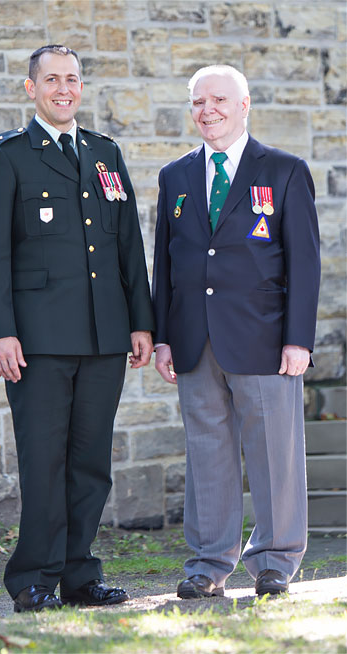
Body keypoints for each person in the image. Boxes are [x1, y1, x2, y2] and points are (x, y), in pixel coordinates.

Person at [0, 45, 154, 613]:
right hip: (39, 342)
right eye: (51, 80)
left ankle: (78, 575)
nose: (63, 89)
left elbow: (128, 244)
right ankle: (33, 578)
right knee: (44, 461)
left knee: (91, 464)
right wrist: (0, 332)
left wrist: (141, 323)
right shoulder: (6, 157)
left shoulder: (104, 153)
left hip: (104, 336)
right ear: (31, 88)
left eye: (72, 79)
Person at [152, 64, 320, 599]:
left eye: (220, 100)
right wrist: (161, 336)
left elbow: (305, 262)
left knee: (275, 454)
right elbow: (166, 262)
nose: (209, 111)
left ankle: (275, 559)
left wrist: (300, 339)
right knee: (207, 454)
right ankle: (207, 564)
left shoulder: (285, 171)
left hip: (266, 340)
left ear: (245, 105)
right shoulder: (174, 176)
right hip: (194, 340)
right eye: (199, 102)